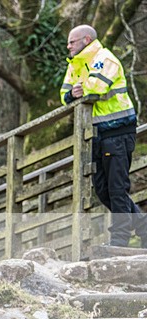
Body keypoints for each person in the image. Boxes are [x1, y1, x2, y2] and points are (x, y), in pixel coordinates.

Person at [61, 24, 147, 248]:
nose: (68, 46)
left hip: (117, 131)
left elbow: (97, 86)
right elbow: (65, 94)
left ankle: (119, 240)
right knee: (102, 189)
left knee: (117, 187)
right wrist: (73, 92)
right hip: (96, 134)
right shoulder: (75, 65)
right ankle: (145, 228)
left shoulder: (104, 58)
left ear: (86, 40)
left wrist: (81, 89)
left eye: (72, 41)